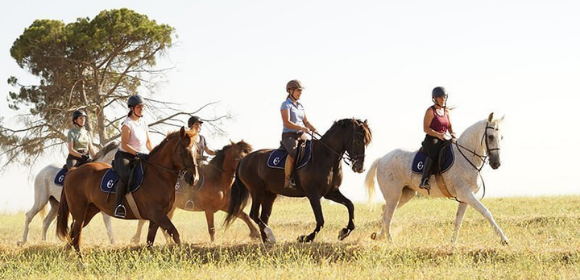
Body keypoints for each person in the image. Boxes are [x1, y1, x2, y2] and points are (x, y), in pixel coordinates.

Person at [113, 95, 153, 218]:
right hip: (124, 156)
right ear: (132, 108)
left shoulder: (143, 123)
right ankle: (118, 206)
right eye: (139, 107)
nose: (141, 109)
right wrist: (137, 153)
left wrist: (153, 153)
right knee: (125, 176)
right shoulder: (127, 124)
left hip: (140, 156)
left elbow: (148, 142)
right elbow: (124, 145)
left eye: (142, 107)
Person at [280, 79, 318, 188]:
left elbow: (306, 121)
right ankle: (287, 180)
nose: (300, 93)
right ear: (290, 91)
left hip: (301, 135)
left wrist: (313, 128)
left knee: (313, 149)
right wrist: (301, 127)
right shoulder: (285, 105)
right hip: (289, 136)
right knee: (294, 153)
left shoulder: (300, 106)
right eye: (298, 91)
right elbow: (287, 122)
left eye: (301, 91)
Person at [419, 86, 456, 193]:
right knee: (434, 154)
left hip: (444, 137)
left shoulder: (446, 111)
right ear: (434, 98)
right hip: (432, 139)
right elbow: (425, 128)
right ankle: (424, 180)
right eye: (440, 97)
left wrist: (453, 134)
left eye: (444, 97)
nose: (443, 99)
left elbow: (449, 126)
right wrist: (437, 134)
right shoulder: (430, 111)